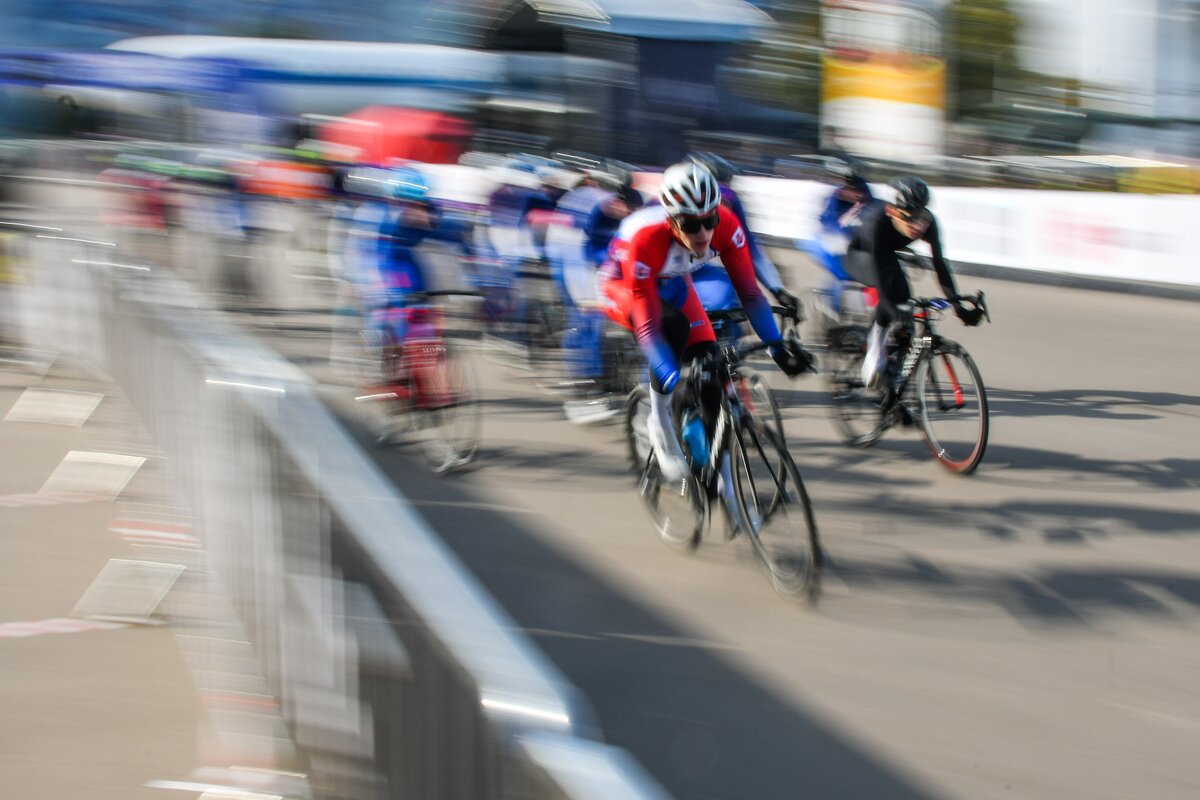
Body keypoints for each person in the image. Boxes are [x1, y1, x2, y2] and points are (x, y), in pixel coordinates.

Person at [602, 160, 812, 489]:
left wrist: (778, 351)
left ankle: (710, 467)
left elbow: (751, 296)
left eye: (708, 221)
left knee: (711, 363)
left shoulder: (726, 225)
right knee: (671, 331)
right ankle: (660, 424)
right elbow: (648, 326)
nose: (702, 233)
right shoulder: (645, 236)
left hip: (674, 281)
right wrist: (667, 371)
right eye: (690, 224)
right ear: (671, 220)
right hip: (623, 287)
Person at [844, 175, 983, 391]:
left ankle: (897, 378)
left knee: (904, 310)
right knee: (893, 291)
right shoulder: (877, 222)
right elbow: (882, 278)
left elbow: (940, 265)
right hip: (862, 254)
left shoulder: (929, 223)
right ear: (892, 211)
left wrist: (958, 306)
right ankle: (875, 348)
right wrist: (893, 310)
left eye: (921, 215)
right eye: (909, 218)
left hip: (888, 253)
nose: (917, 225)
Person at [542, 160, 644, 420]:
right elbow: (575, 257)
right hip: (571, 261)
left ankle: (617, 373)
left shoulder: (621, 204)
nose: (621, 207)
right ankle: (582, 392)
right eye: (619, 200)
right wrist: (591, 297)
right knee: (589, 321)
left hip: (597, 260)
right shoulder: (591, 207)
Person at [684, 151, 800, 324]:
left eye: (726, 197)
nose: (723, 209)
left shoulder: (733, 205)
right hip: (669, 275)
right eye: (718, 199)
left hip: (694, 270)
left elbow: (752, 252)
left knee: (731, 296)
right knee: (723, 290)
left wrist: (777, 290)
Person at [809, 157, 877, 319]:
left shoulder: (866, 192)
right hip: (833, 236)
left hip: (853, 236)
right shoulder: (836, 194)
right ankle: (831, 300)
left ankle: (871, 306)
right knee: (839, 270)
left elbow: (874, 214)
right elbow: (827, 221)